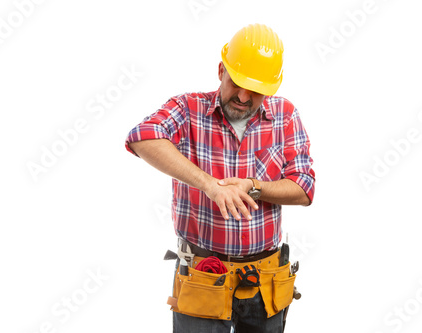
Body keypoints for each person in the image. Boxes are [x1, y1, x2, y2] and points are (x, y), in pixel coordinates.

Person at [125, 23, 315, 333]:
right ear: (220, 70)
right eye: (236, 82)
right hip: (202, 275)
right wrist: (209, 185)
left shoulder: (286, 115)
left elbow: (305, 188)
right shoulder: (188, 108)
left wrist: (254, 187)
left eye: (255, 89)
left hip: (265, 280)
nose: (242, 96)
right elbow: (142, 138)